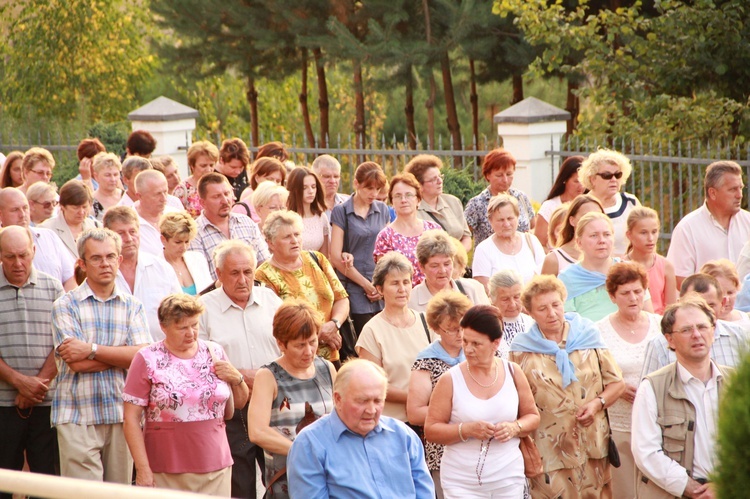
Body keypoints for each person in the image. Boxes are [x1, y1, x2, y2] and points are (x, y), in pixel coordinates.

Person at [510, 274, 625, 498]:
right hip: (548, 452)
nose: (551, 313)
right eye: (542, 308)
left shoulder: (589, 338)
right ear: (530, 312)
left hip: (593, 445)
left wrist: (596, 404)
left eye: (556, 304)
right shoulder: (520, 350)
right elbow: (515, 401)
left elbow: (616, 383)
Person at [51, 228, 152, 484]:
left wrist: (91, 349)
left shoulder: (133, 305)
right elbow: (75, 363)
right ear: (82, 264)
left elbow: (142, 357)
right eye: (96, 258)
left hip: (122, 414)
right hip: (77, 415)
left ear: (119, 259)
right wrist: (122, 355)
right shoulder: (65, 304)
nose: (105, 263)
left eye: (110, 256)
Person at [123, 294, 246, 495]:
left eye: (195, 325)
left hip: (216, 465)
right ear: (163, 327)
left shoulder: (214, 351)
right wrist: (142, 469)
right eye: (182, 328)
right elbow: (131, 419)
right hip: (167, 467)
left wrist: (237, 378)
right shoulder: (147, 358)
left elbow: (238, 404)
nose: (191, 333)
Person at [424, 305, 540, 498]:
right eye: (465, 341)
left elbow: (533, 417)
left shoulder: (513, 372)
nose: (468, 349)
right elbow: (431, 429)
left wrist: (515, 427)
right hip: (461, 481)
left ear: (496, 343)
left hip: (508, 478)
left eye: (476, 344)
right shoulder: (450, 379)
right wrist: (466, 430)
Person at [199, 240, 282, 499]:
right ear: (219, 274)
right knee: (241, 484)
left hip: (275, 403)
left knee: (283, 479)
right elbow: (199, 360)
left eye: (248, 272)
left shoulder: (271, 300)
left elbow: (288, 346)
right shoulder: (204, 308)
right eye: (234, 273)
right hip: (234, 408)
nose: (243, 279)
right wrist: (243, 375)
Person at [287, 359, 435, 498]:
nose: (371, 410)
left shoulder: (404, 437)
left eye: (377, 401)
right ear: (338, 399)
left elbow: (425, 494)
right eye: (362, 401)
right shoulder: (309, 444)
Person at [631, 297, 731, 499]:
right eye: (686, 330)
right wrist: (693, 489)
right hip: (674, 493)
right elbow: (646, 452)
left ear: (713, 331)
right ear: (670, 339)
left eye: (703, 327)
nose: (696, 335)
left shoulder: (739, 383)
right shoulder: (652, 388)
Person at [248, 299, 337, 498]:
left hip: (329, 478)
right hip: (287, 482)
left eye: (313, 342)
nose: (308, 351)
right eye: (299, 345)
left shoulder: (327, 369)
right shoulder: (268, 376)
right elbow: (257, 431)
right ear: (281, 343)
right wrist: (304, 451)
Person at [0, 226, 64, 494]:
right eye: (10, 256)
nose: (18, 263)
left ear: (34, 251)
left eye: (24, 255)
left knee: (46, 483)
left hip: (46, 403)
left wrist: (36, 385)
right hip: (3, 404)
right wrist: (19, 382)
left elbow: (62, 343)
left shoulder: (53, 287)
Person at [596, 262, 662, 498]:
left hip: (658, 424)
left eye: (638, 291)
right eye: (625, 293)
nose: (633, 298)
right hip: (619, 424)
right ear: (613, 296)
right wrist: (616, 388)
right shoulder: (599, 331)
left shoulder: (661, 325)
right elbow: (592, 377)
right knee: (623, 491)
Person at [256, 210, 349, 366]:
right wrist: (318, 335)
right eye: (287, 237)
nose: (295, 241)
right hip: (296, 360)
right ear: (270, 243)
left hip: (332, 355)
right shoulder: (263, 276)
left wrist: (334, 324)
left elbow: (341, 297)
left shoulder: (317, 259)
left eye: (297, 234)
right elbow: (274, 323)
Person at [356, 252, 435, 423]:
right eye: (394, 283)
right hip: (394, 424)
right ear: (379, 289)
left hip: (428, 421)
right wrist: (416, 399)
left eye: (406, 282)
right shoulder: (372, 331)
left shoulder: (426, 322)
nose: (402, 289)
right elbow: (373, 384)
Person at [407, 291, 472, 498]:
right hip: (444, 453)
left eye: (463, 327)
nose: (460, 335)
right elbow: (415, 413)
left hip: (478, 449)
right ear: (437, 328)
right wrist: (459, 412)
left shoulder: (477, 354)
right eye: (452, 330)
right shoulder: (426, 361)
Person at [641, 273, 749, 377]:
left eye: (710, 305)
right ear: (679, 304)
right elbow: (650, 389)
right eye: (694, 306)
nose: (703, 312)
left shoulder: (738, 335)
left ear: (723, 303)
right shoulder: (660, 344)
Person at [103, 206, 181, 341]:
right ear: (108, 236)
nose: (128, 238)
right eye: (121, 233)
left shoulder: (162, 269)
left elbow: (179, 313)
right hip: (115, 356)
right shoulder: (102, 273)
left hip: (160, 353)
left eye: (132, 231)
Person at [330, 161, 390, 335]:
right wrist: (366, 285)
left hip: (380, 287)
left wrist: (380, 286)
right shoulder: (341, 211)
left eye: (378, 189)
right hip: (353, 287)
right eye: (369, 188)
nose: (374, 193)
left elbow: (386, 251)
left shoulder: (383, 209)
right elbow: (335, 257)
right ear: (356, 183)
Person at [559, 211, 654, 322]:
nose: (602, 241)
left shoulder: (631, 272)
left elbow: (649, 317)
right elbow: (567, 324)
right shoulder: (567, 278)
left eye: (607, 234)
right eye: (594, 235)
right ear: (579, 242)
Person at [668, 161, 750, 286]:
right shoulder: (687, 229)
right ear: (712, 193)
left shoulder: (747, 222)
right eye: (733, 189)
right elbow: (680, 280)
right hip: (705, 304)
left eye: (741, 188)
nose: (739, 195)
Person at [189, 172, 270, 279]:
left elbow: (264, 263)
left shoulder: (247, 223)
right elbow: (201, 278)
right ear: (202, 203)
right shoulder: (194, 233)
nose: (225, 200)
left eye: (227, 194)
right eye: (216, 196)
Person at [0, 188, 76, 291]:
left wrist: (63, 303)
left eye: (25, 208)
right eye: (15, 210)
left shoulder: (49, 237)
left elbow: (71, 277)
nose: (22, 215)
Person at [374, 172, 441, 287]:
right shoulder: (385, 236)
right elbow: (385, 277)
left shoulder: (433, 229)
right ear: (392, 202)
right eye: (398, 196)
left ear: (418, 200)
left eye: (409, 195)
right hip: (404, 298)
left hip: (435, 294)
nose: (403, 200)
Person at [473, 194, 545, 290]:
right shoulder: (483, 250)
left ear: (517, 217)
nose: (506, 224)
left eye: (510, 218)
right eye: (500, 220)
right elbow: (483, 289)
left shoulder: (531, 241)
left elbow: (545, 276)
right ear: (491, 221)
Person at [464, 148, 535, 245]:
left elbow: (533, 227)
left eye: (509, 174)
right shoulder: (477, 203)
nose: (505, 180)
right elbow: (464, 234)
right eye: (499, 175)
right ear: (488, 175)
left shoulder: (521, 197)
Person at [578, 149, 641, 256]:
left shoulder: (631, 202)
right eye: (607, 175)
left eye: (618, 175)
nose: (613, 179)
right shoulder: (582, 206)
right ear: (592, 179)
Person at [404, 154, 472, 252]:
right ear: (419, 185)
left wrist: (456, 256)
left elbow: (466, 237)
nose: (440, 181)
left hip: (456, 262)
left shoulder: (453, 202)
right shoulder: (412, 209)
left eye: (440, 176)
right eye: (433, 179)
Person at [410, 229, 489, 312]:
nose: (443, 271)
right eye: (435, 266)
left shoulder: (473, 289)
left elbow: (490, 322)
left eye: (447, 264)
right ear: (421, 267)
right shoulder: (412, 300)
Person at [625, 206, 677, 314]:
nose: (650, 238)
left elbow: (671, 310)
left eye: (654, 232)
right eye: (643, 233)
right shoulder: (621, 266)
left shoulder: (666, 267)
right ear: (629, 235)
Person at [541, 194, 604, 276]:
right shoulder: (554, 260)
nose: (593, 221)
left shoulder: (606, 256)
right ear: (572, 220)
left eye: (598, 215)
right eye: (586, 216)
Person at [534, 155, 586, 249]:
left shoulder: (589, 205)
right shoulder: (550, 206)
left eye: (583, 182)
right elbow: (539, 244)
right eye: (576, 181)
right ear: (565, 180)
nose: (581, 186)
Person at [41, 179, 99, 259]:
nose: (81, 212)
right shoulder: (46, 229)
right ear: (62, 206)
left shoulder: (96, 227)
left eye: (84, 207)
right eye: (75, 208)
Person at [159, 211, 213, 295]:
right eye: (178, 242)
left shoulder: (198, 259)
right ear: (163, 239)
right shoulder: (156, 267)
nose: (183, 247)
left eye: (187, 242)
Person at [488, 269, 535, 359]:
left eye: (517, 297)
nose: (512, 304)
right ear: (492, 299)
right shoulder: (484, 328)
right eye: (505, 299)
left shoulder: (533, 324)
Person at [286, 166, 330, 257]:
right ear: (294, 189)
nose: (311, 191)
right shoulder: (286, 218)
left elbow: (324, 257)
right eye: (304, 188)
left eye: (313, 187)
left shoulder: (321, 217)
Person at [133, 169, 179, 256]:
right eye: (157, 194)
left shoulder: (176, 215)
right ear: (139, 196)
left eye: (165, 192)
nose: (164, 199)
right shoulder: (128, 223)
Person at [174, 140, 219, 217]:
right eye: (203, 166)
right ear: (192, 166)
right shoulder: (182, 190)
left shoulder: (221, 185)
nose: (208, 169)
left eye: (211, 165)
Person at [701, 259, 750, 326]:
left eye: (730, 293)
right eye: (719, 293)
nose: (726, 299)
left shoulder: (745, 320)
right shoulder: (701, 325)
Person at [312, 154, 350, 221]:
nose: (332, 181)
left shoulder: (349, 203)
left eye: (336, 176)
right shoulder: (309, 206)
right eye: (327, 176)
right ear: (315, 177)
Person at [214, 138, 251, 202]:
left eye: (241, 167)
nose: (238, 171)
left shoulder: (247, 172)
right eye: (233, 167)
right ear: (221, 161)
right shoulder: (212, 175)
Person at [90, 152, 124, 221]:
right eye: (107, 175)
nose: (113, 179)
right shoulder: (91, 202)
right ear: (96, 176)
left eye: (115, 174)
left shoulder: (125, 196)